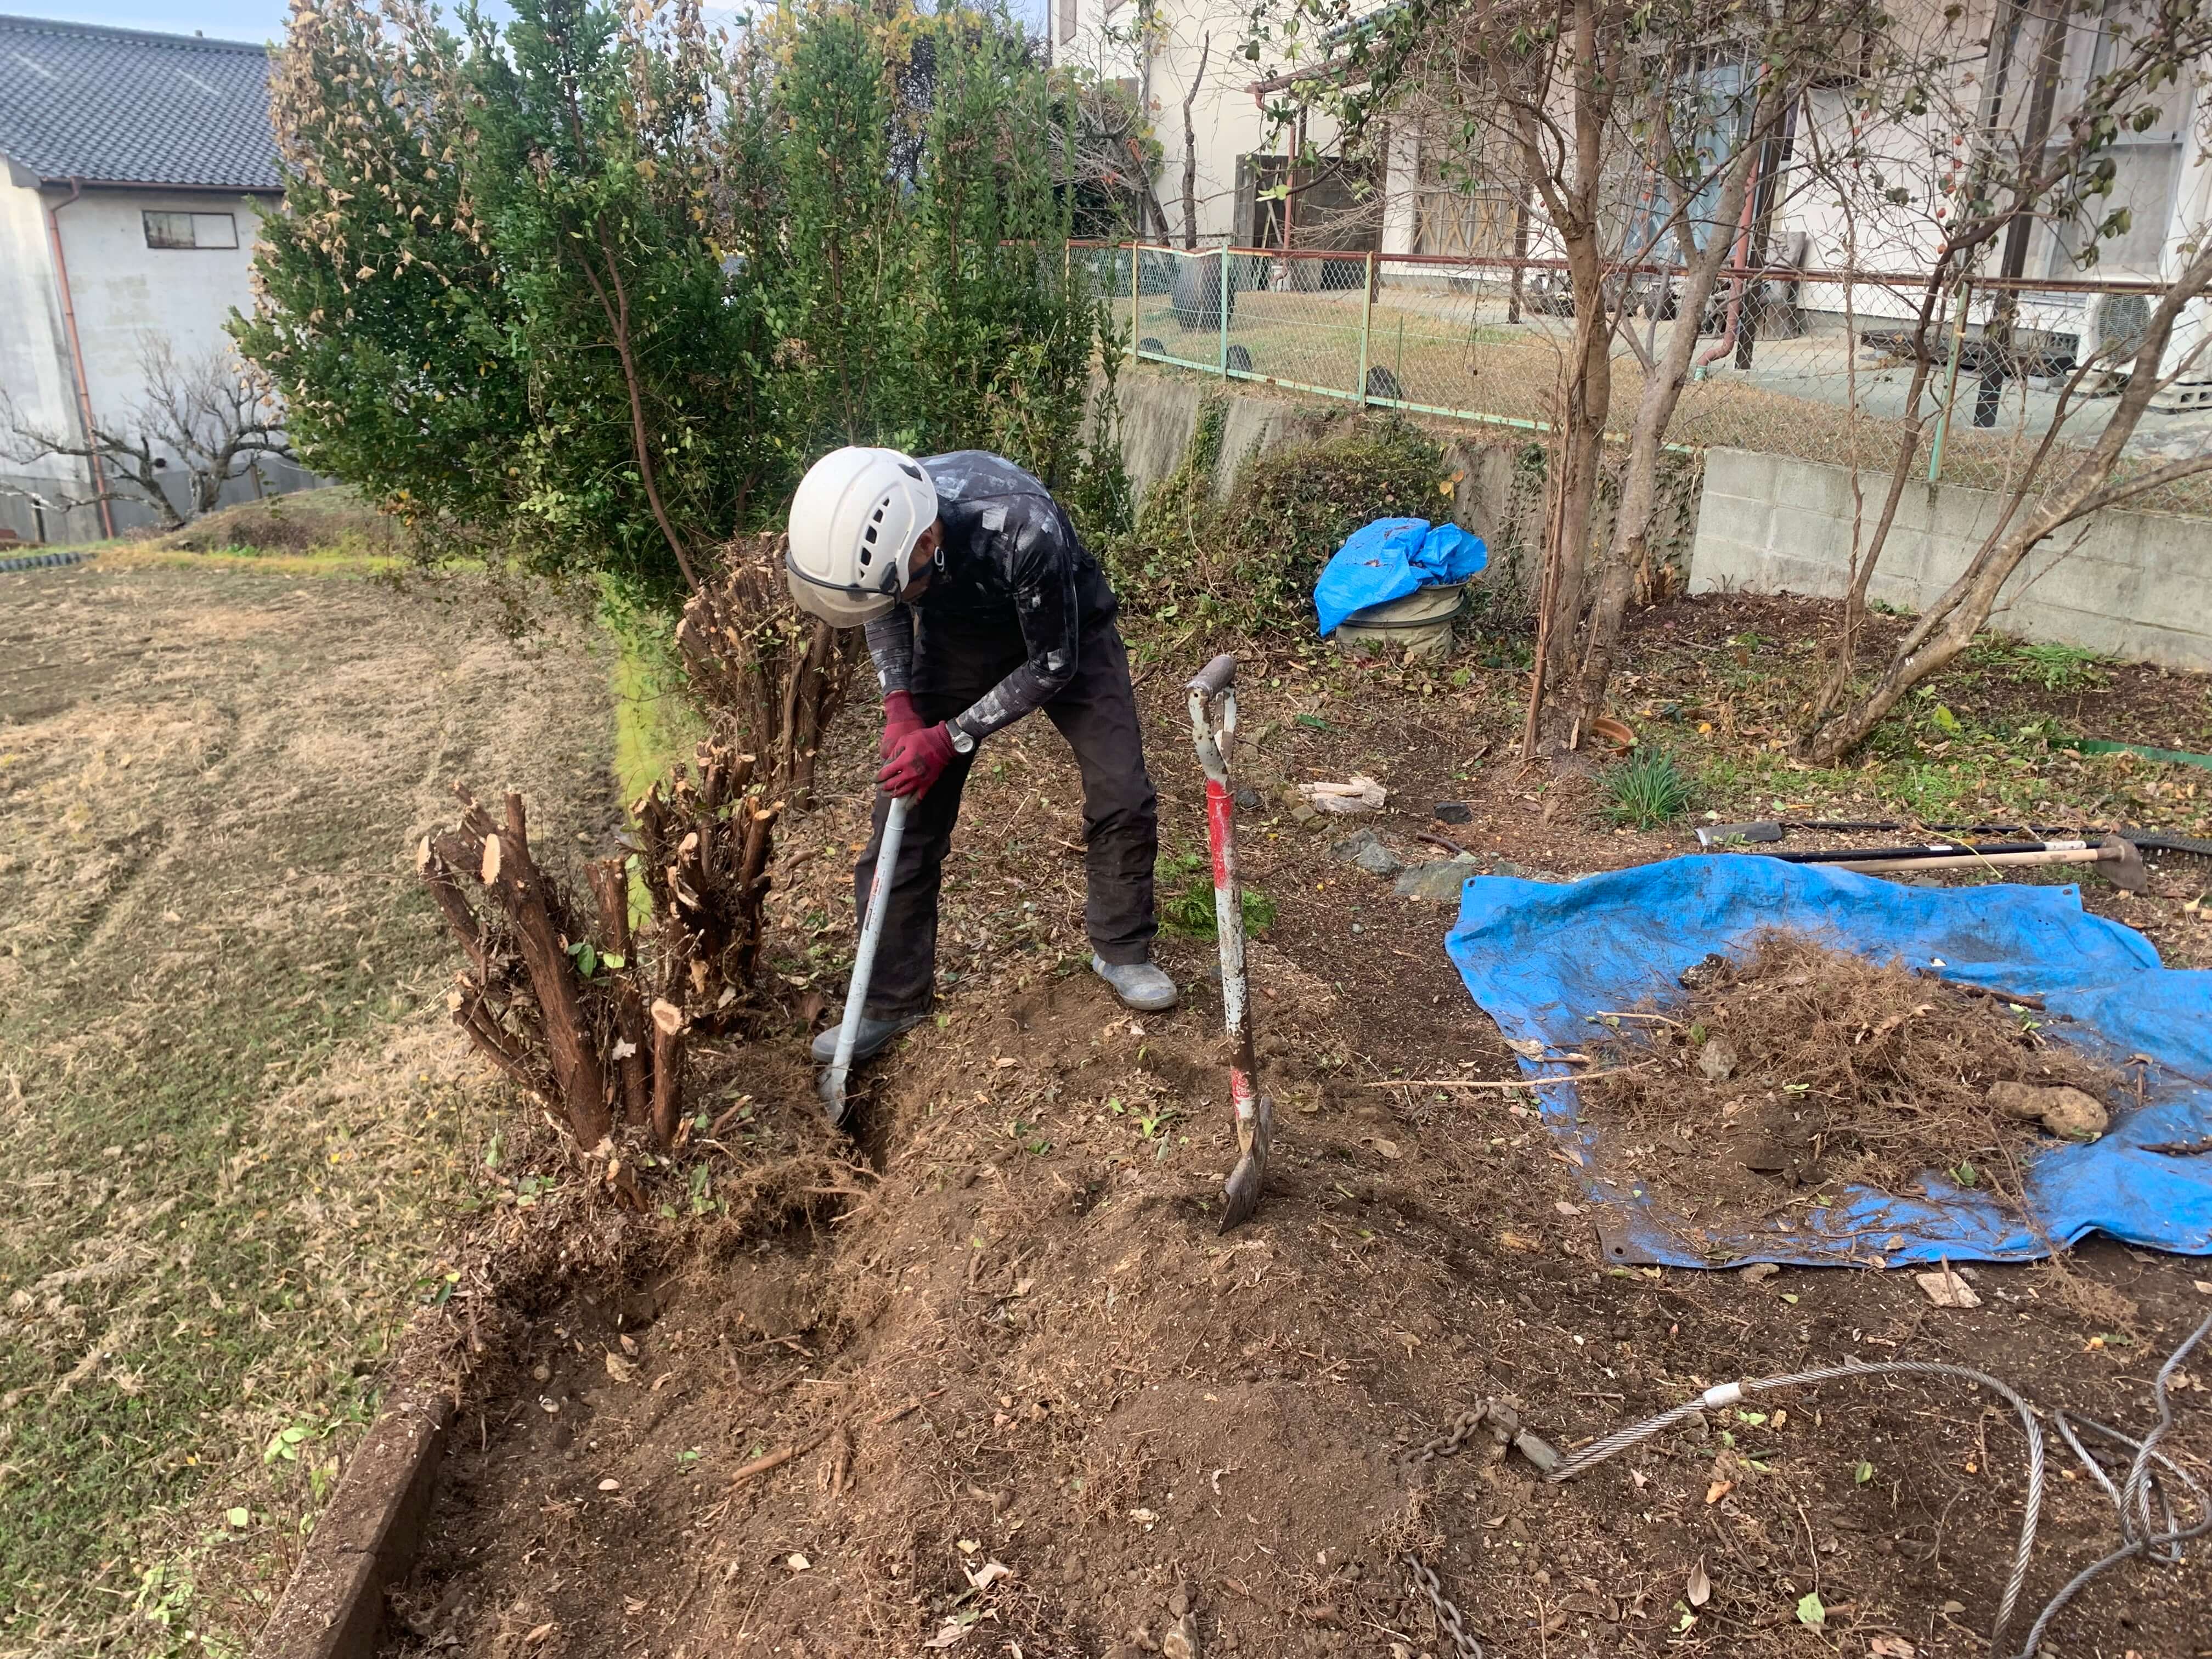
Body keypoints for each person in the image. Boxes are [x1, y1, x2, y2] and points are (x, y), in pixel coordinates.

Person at [786, 446, 1177, 1064]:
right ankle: (891, 1000)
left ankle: (1123, 949)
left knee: (1121, 789)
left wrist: (948, 737)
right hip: (960, 637)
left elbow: (1052, 664)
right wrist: (900, 705)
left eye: (906, 578)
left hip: (1066, 630)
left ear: (929, 539)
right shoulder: (883, 515)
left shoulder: (1022, 526)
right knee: (904, 811)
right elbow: (880, 604)